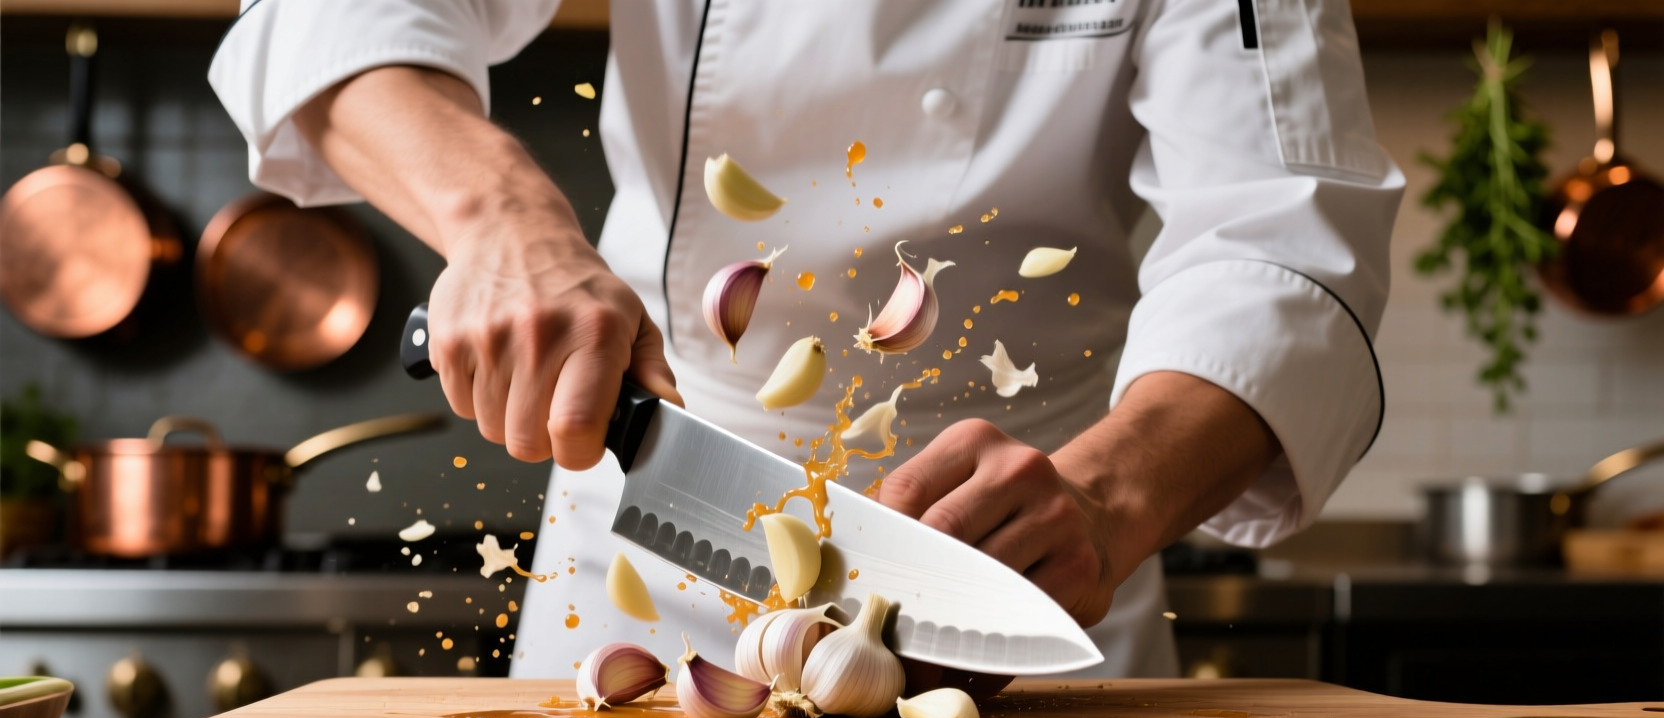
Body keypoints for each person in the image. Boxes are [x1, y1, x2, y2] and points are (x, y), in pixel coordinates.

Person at [210, 0, 1401, 679]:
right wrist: (501, 218)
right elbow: (326, 18)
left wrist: (1103, 497)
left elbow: (1282, 230)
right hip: (652, 559)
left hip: (1020, 568)